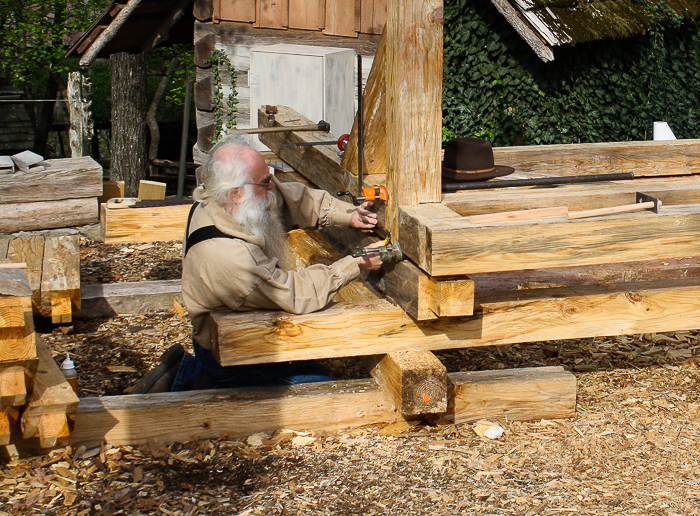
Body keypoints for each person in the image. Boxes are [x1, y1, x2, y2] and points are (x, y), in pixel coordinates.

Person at [132, 138, 384, 393]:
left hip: (234, 320)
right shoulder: (231, 258)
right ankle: (193, 376)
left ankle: (193, 372)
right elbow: (295, 294)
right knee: (320, 389)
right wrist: (356, 264)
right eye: (264, 183)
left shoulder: (216, 200)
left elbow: (291, 199)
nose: (272, 187)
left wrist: (347, 214)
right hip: (229, 347)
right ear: (236, 192)